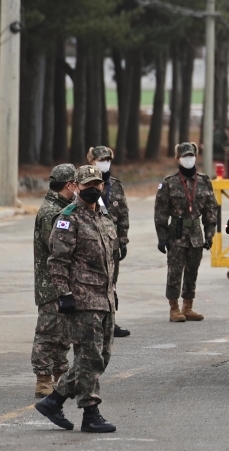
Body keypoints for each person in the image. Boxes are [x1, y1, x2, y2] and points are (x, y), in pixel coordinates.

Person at [35, 165, 119, 433]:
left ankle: (54, 400)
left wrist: (112, 292)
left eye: (97, 184)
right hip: (81, 301)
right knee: (88, 358)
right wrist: (64, 295)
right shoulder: (68, 218)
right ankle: (90, 414)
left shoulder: (104, 218)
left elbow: (108, 260)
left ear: (102, 186)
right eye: (87, 185)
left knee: (100, 358)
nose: (93, 189)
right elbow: (57, 261)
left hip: (104, 299)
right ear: (77, 187)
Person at [154, 143, 218, 322]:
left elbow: (211, 210)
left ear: (196, 156)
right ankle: (174, 308)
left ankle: (188, 306)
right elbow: (160, 212)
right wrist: (162, 237)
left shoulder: (204, 181)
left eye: (191, 155)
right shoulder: (169, 183)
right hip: (177, 233)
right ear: (178, 158)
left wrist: (210, 233)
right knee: (174, 272)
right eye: (184, 156)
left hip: (196, 234)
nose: (188, 159)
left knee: (192, 271)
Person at [32, 164, 76, 398]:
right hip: (51, 283)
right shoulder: (52, 212)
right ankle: (43, 379)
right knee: (47, 333)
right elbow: (57, 248)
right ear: (69, 185)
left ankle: (60, 376)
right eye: (77, 183)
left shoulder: (62, 208)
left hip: (62, 283)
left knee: (62, 333)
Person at [86, 146, 130, 338]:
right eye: (100, 159)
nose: (105, 163)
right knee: (89, 284)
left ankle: (110, 323)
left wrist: (123, 240)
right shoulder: (84, 185)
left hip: (111, 244)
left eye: (107, 159)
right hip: (90, 244)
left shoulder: (116, 185)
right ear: (92, 161)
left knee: (111, 283)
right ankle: (91, 323)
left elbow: (123, 215)